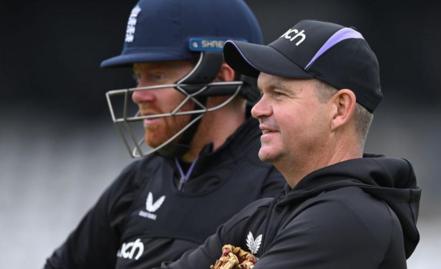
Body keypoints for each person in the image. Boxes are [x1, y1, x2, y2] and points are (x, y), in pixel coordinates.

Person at [159, 20, 422, 269]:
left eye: (279, 93)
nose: (257, 110)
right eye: (261, 93)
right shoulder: (263, 215)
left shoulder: (350, 218)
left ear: (339, 109)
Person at [43, 0, 284, 268]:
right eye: (137, 77)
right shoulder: (138, 182)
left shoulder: (277, 184)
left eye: (156, 76)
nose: (138, 95)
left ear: (220, 77)